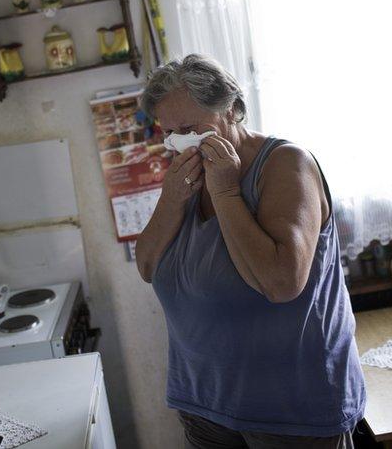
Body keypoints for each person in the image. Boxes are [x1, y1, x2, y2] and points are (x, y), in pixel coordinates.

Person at [136, 54, 365, 449]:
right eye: (169, 133)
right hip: (205, 402)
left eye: (190, 129)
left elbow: (281, 283)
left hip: (292, 412)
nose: (179, 143)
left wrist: (225, 193)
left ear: (231, 110)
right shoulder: (186, 175)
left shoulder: (286, 164)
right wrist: (171, 200)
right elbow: (147, 265)